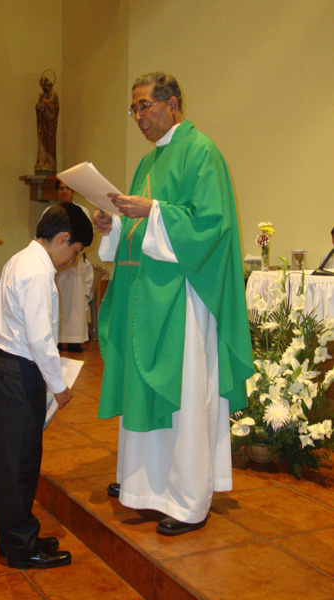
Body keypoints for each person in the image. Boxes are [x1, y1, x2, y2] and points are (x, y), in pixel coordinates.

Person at [93, 72, 254, 536]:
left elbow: (213, 226)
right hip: (150, 295)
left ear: (173, 103)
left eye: (145, 106)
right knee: (146, 389)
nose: (139, 117)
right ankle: (144, 486)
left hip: (184, 298)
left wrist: (155, 211)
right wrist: (115, 226)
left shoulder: (203, 153)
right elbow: (141, 227)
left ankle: (187, 500)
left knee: (184, 397)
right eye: (135, 109)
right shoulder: (149, 162)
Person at [0, 203, 93, 568]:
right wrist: (59, 387)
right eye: (75, 252)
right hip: (18, 371)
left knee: (18, 460)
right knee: (17, 463)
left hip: (9, 368)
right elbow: (39, 337)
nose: (71, 260)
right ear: (63, 239)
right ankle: (21, 547)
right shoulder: (37, 272)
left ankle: (17, 536)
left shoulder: (22, 258)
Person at [54, 180, 94, 352]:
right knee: (57, 301)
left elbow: (86, 235)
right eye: (61, 188)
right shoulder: (51, 212)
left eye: (67, 188)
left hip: (75, 261)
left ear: (73, 191)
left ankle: (74, 341)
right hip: (57, 263)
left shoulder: (81, 211)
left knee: (75, 301)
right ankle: (55, 339)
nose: (64, 192)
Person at [35, 75, 59, 173]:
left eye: (46, 86)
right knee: (42, 140)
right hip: (43, 122)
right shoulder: (44, 95)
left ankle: (50, 162)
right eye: (44, 87)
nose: (45, 88)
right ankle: (42, 160)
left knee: (49, 140)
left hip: (50, 123)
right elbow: (38, 107)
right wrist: (40, 104)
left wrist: (45, 102)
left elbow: (53, 107)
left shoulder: (53, 94)